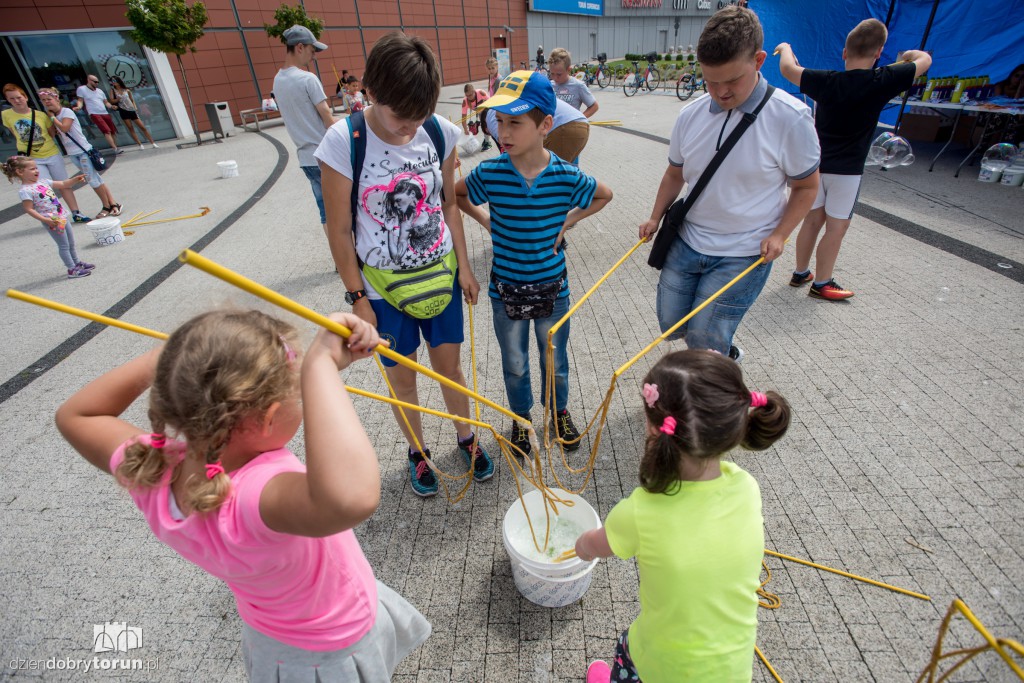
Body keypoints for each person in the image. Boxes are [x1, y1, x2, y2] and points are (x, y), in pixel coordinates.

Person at [54, 309, 430, 681]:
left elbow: (77, 415)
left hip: (274, 642)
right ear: (267, 419)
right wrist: (321, 367)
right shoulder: (255, 495)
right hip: (333, 650)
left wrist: (181, 356)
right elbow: (350, 498)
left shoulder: (151, 470)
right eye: (300, 391)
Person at [316, 31, 494, 498]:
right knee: (403, 377)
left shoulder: (438, 131)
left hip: (439, 275)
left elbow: (448, 205)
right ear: (371, 93)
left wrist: (465, 268)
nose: (410, 129)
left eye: (420, 117)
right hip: (381, 287)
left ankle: (466, 438)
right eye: (401, 118)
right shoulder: (344, 140)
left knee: (450, 369)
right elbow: (339, 231)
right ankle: (417, 451)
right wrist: (358, 299)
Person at [576, 349, 791, 682]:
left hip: (662, 666)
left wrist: (582, 547)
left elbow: (591, 546)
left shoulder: (640, 511)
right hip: (732, 671)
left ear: (652, 429)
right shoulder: (747, 487)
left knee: (630, 650)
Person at [639, 6, 820, 361]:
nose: (721, 92)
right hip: (687, 240)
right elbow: (675, 173)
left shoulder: (790, 117)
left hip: (744, 252)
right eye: (710, 81)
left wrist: (780, 234)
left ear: (758, 60)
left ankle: (716, 382)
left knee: (704, 340)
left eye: (731, 81)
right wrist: (654, 216)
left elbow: (806, 187)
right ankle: (719, 352)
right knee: (672, 324)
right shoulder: (689, 115)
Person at [456, 71, 612, 456]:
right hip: (504, 290)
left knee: (554, 360)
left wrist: (568, 219)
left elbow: (604, 194)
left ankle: (557, 413)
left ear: (545, 125)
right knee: (515, 363)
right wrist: (487, 221)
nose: (503, 131)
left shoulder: (564, 174)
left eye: (515, 122)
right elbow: (459, 195)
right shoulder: (490, 174)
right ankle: (522, 421)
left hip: (554, 290)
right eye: (499, 121)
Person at [776, 20, 931, 301]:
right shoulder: (882, 80)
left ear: (844, 52)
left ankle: (801, 272)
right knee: (837, 227)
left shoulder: (827, 80)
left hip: (816, 167)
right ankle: (822, 282)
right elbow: (925, 59)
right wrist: (907, 56)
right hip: (848, 172)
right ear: (878, 52)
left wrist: (785, 48)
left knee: (812, 220)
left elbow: (787, 69)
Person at [273, 25, 339, 237]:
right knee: (343, 211)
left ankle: (338, 261)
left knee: (326, 213)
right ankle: (350, 260)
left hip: (306, 159)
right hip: (325, 157)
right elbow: (327, 117)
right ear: (299, 47)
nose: (314, 57)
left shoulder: (278, 80)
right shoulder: (307, 79)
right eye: (312, 51)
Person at [3, 83, 90, 223]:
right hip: (32, 158)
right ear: (8, 100)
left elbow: (51, 134)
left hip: (51, 153)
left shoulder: (40, 115)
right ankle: (55, 216)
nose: (16, 101)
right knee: (43, 189)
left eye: (19, 97)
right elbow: (15, 134)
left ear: (25, 97)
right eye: (12, 99)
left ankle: (76, 212)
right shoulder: (6, 115)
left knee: (64, 183)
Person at [3, 155, 93, 279]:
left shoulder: (43, 181)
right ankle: (72, 268)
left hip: (62, 216)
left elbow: (62, 183)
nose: (37, 171)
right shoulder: (25, 190)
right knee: (64, 245)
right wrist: (45, 220)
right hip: (52, 221)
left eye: (36, 168)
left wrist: (75, 179)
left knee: (71, 243)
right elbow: (28, 209)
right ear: (20, 172)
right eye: (32, 169)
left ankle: (77, 262)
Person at [39, 87, 123, 219]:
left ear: (56, 98)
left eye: (49, 99)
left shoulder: (66, 112)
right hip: (72, 153)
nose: (47, 102)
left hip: (83, 151)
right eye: (43, 100)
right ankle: (113, 203)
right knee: (96, 178)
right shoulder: (53, 116)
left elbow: (65, 128)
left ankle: (106, 206)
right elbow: (53, 134)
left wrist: (52, 118)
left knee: (92, 180)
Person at [484, 99, 590, 164]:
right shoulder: (505, 105)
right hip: (578, 123)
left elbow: (507, 149)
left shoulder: (491, 115)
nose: (504, 134)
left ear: (485, 128)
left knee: (549, 177)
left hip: (564, 127)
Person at [74, 74, 120, 155]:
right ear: (89, 80)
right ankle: (115, 148)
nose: (97, 83)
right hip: (94, 113)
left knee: (112, 131)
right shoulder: (82, 89)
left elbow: (106, 102)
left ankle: (116, 147)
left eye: (97, 82)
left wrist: (111, 106)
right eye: (95, 82)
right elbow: (80, 100)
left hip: (104, 112)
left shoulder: (100, 91)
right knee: (107, 131)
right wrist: (78, 107)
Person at [547, 48, 599, 119]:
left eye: (559, 74)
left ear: (568, 70)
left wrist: (578, 119)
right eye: (552, 74)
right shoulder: (549, 85)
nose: (555, 78)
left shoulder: (578, 85)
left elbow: (594, 106)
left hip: (570, 127)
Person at [109, 76, 159, 150]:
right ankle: (140, 144)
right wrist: (117, 99)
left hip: (132, 110)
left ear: (119, 81)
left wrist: (135, 108)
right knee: (130, 128)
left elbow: (132, 100)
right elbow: (112, 101)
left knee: (142, 127)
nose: (113, 82)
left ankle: (153, 142)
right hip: (123, 110)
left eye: (115, 80)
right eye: (112, 81)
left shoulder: (126, 90)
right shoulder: (112, 90)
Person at [460, 84, 491, 150]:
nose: (469, 97)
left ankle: (488, 142)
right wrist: (466, 130)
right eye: (467, 95)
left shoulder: (481, 93)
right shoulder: (465, 101)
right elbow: (463, 119)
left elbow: (491, 102)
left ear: (474, 91)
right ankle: (486, 139)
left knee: (485, 124)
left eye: (470, 95)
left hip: (487, 108)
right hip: (479, 111)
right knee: (483, 125)